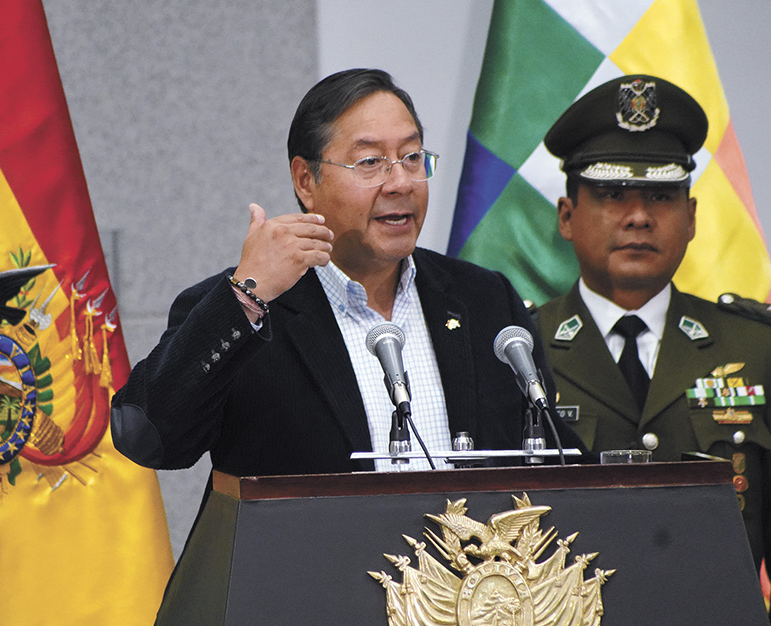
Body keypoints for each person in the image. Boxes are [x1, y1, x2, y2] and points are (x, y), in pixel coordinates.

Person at [111, 68, 584, 479]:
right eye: (370, 162)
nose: (400, 183)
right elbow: (149, 438)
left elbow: (553, 459)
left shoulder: (482, 298)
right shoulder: (247, 311)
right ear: (305, 181)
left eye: (412, 157)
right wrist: (245, 297)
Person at [535, 74, 771, 626]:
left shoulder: (757, 349)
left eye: (660, 196)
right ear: (566, 216)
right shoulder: (520, 352)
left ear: (693, 215)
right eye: (610, 195)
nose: (638, 217)